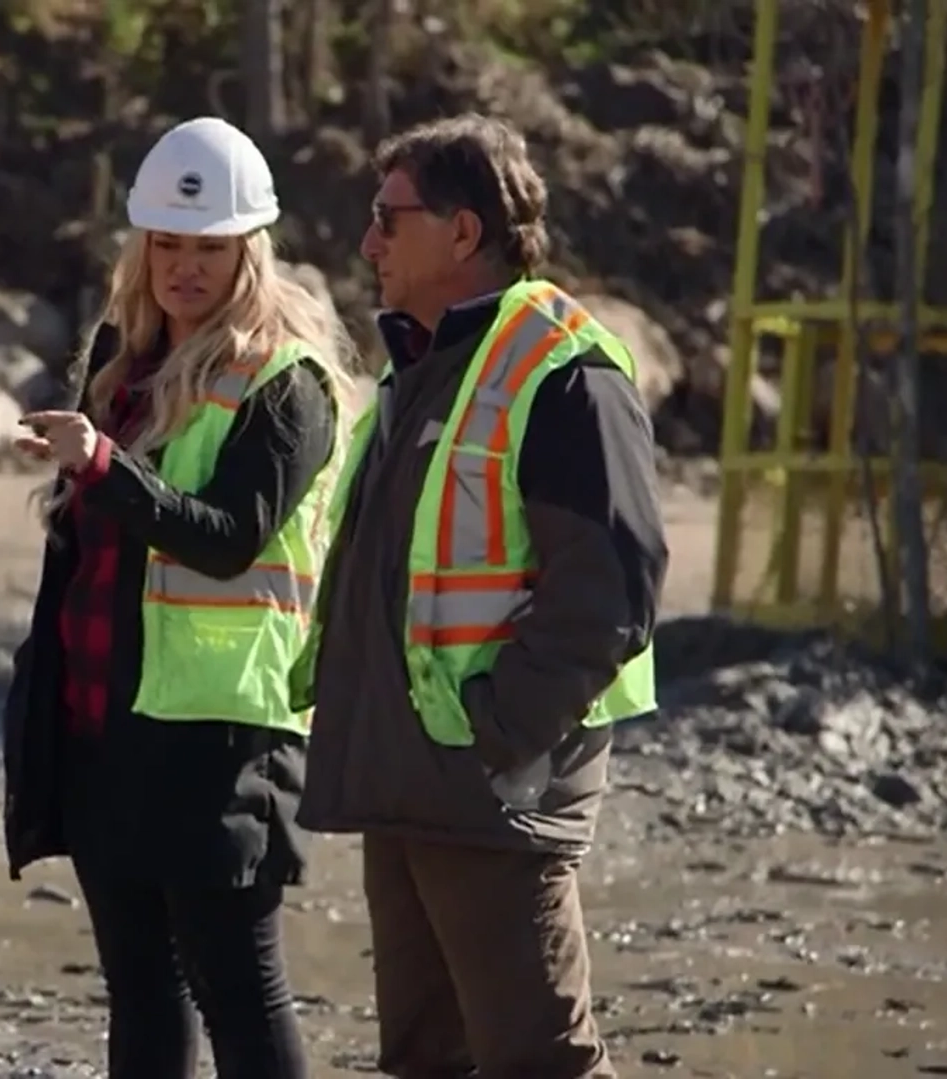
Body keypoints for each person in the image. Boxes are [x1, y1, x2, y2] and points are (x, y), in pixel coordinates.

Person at [292, 113, 668, 1079]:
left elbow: (613, 588)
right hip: (410, 778)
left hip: (493, 784)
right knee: (425, 1057)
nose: (368, 240)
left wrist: (503, 728)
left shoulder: (562, 373)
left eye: (389, 216)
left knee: (538, 1061)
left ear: (464, 232)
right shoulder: (423, 363)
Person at [1, 115, 355, 1079]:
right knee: (141, 991)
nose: (185, 267)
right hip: (106, 717)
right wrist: (73, 472)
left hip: (222, 731)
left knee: (240, 987)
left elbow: (231, 536)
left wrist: (103, 464)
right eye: (168, 244)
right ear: (142, 245)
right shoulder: (125, 360)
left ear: (252, 252)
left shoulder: (290, 383)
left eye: (209, 248)